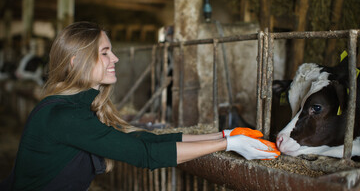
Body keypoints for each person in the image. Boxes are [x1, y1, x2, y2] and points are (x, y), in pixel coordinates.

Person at [8, 21, 277, 190]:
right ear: (75, 62)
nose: (115, 58)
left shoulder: (72, 109)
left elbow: (139, 138)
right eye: (104, 53)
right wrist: (227, 147)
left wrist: (223, 135)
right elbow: (142, 154)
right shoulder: (64, 115)